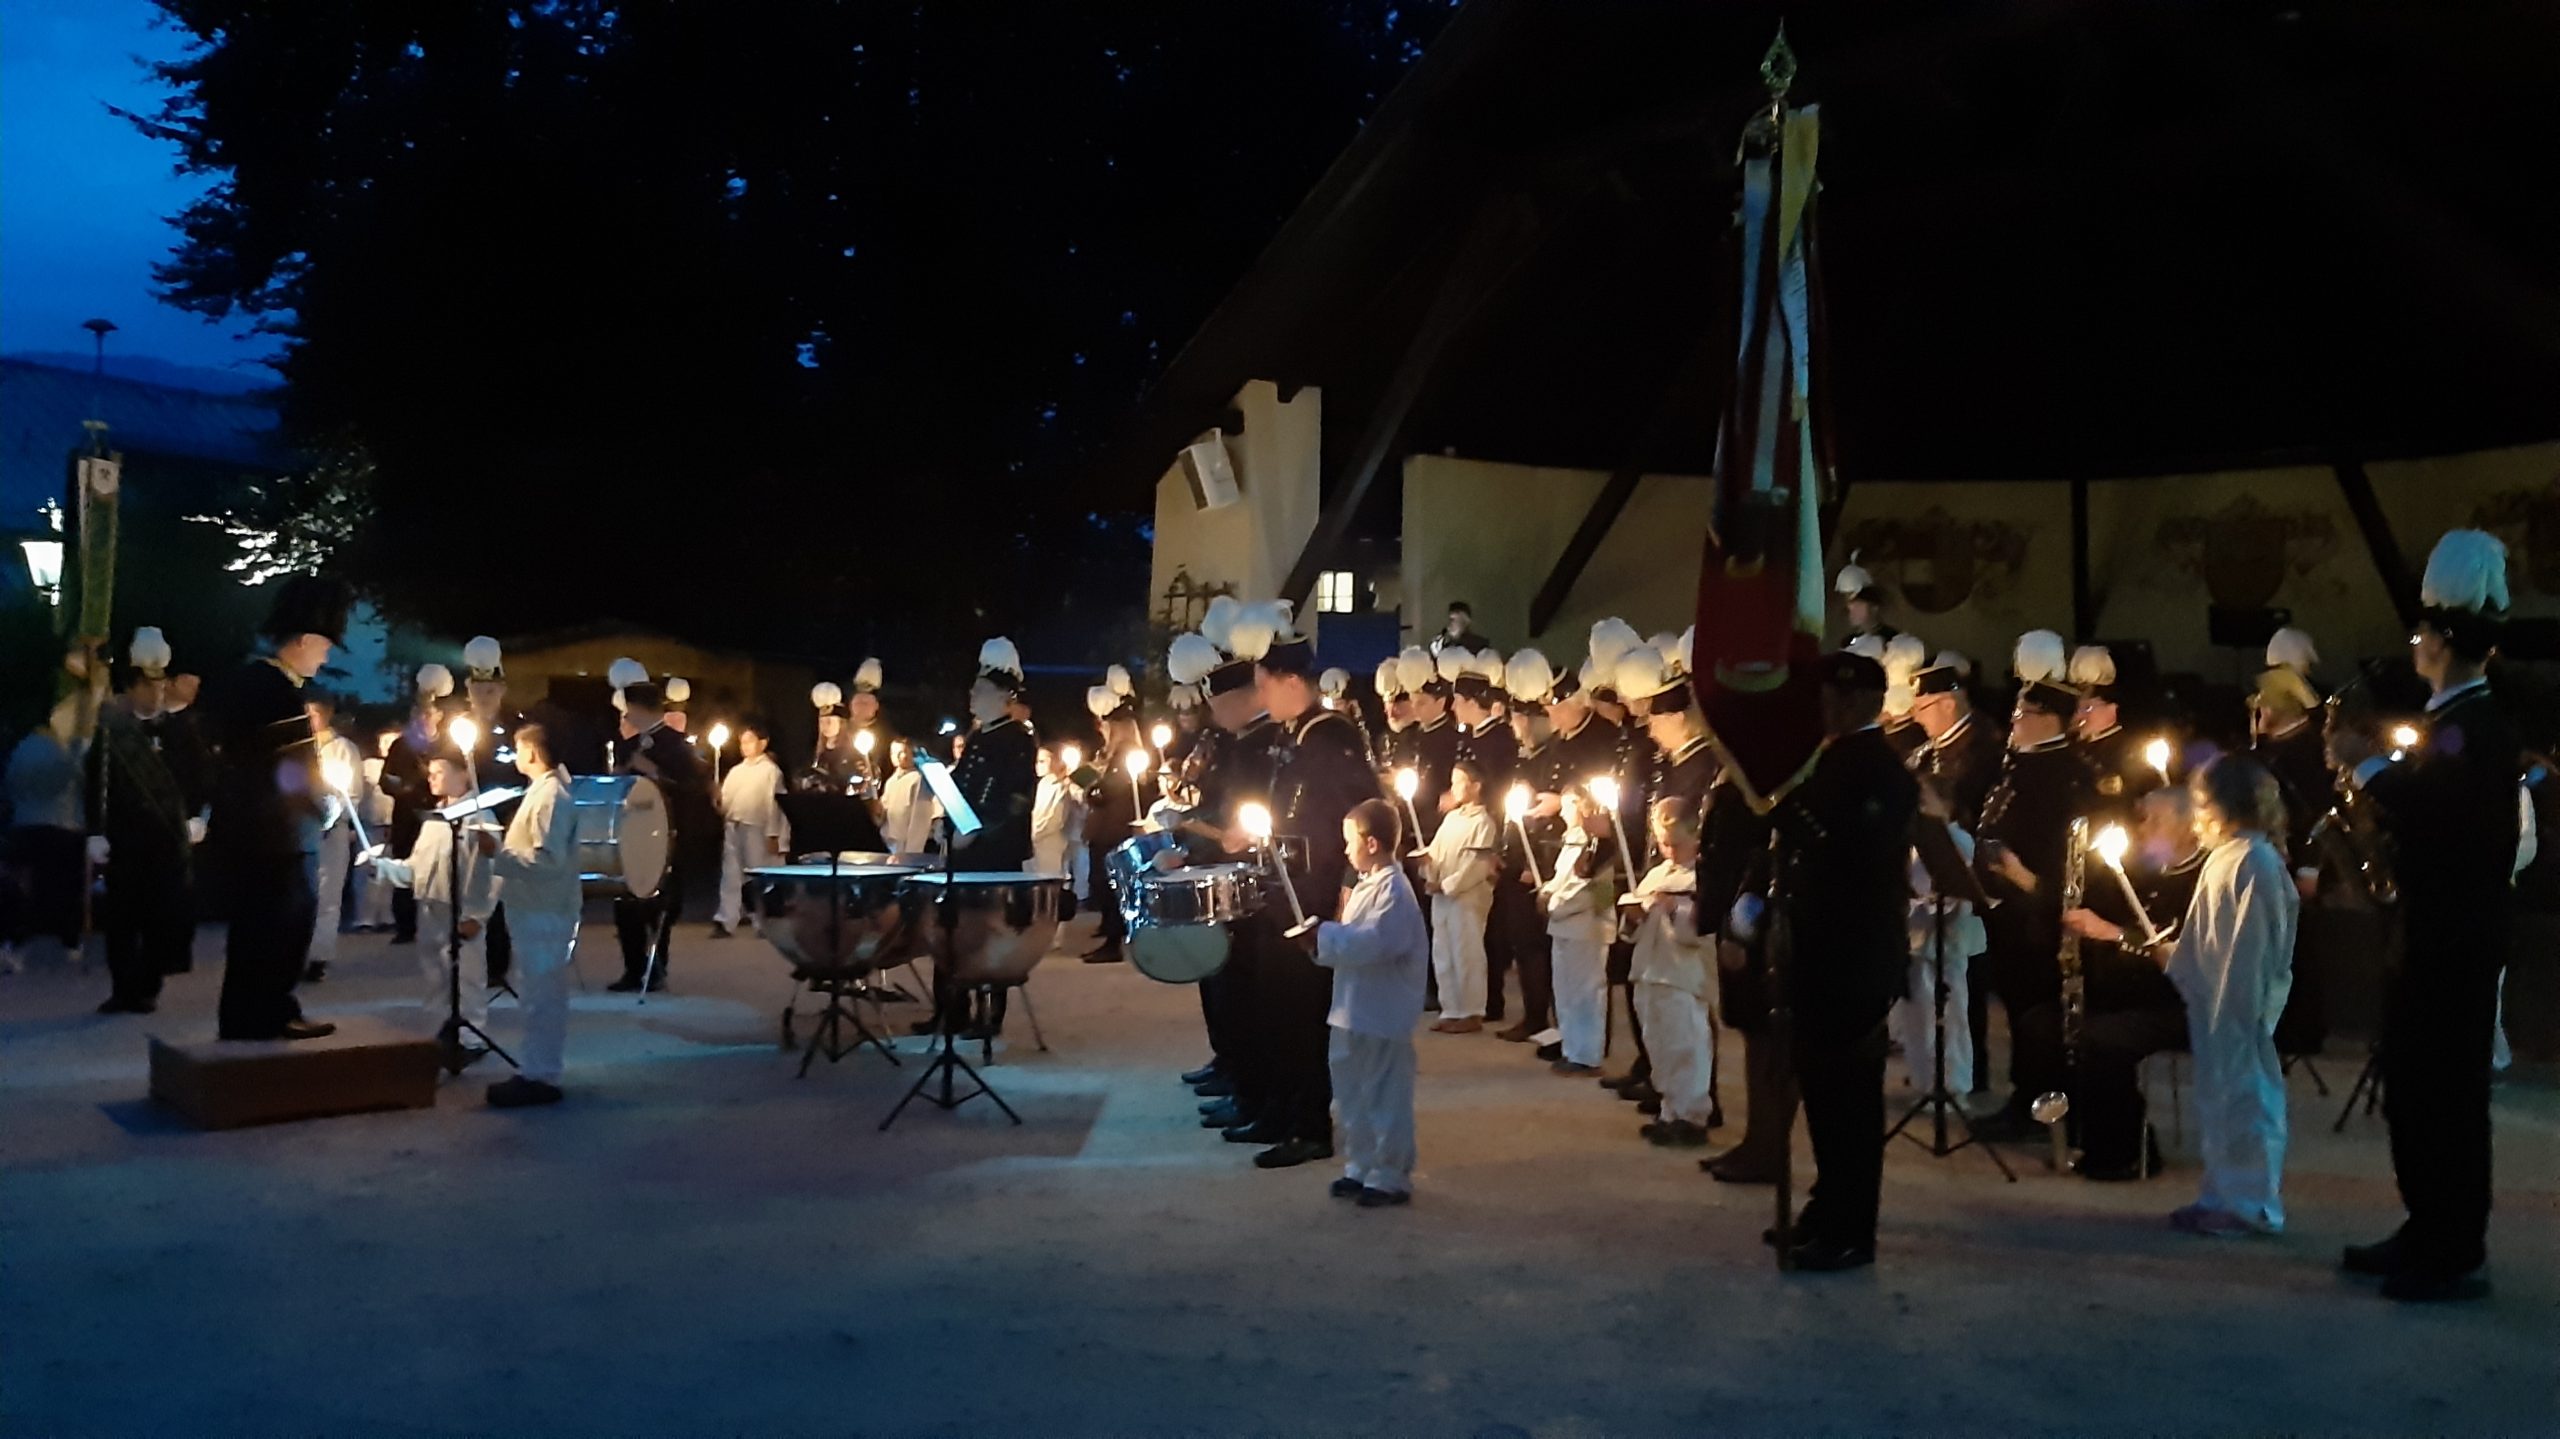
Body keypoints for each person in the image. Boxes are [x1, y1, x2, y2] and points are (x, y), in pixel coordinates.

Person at [2346, 530, 2522, 1302]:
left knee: (2448, 1094)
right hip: (2429, 935)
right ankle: (2425, 1224)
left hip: (2454, 943)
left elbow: (2434, 806)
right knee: (2416, 1090)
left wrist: (2363, 765)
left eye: (2422, 630)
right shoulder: (2460, 717)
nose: (2414, 641)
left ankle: (2454, 1248)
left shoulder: (2476, 725)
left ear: (2444, 639)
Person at [1766, 651, 1919, 1271]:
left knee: (1850, 1103)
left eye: (1829, 698)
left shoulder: (1880, 771)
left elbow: (1849, 854)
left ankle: (1851, 1230)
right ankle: (1827, 1208)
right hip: (1820, 951)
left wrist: (1784, 803)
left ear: (1856, 702)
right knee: (1824, 1096)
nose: (1819, 709)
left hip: (1852, 955)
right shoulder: (1834, 761)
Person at [1244, 601, 1380, 1170]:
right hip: (1285, 895)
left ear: (1292, 681)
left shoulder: (1331, 740)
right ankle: (1281, 1111)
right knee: (1278, 1011)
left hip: (1316, 900)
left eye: (1265, 687)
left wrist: (1346, 895)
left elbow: (1364, 815)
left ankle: (1309, 1125)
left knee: (1303, 1018)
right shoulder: (1298, 737)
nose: (1261, 700)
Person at [2154, 755, 2297, 1236]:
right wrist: (2176, 957)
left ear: (2223, 806)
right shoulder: (2226, 857)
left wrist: (2237, 1004)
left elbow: (2251, 947)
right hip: (2215, 1001)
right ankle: (2220, 1193)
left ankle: (2251, 1205)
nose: (2194, 818)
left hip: (2238, 1005)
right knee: (2218, 1101)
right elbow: (2208, 940)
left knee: (2246, 1101)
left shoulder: (2255, 862)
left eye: (2199, 804)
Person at [208, 576, 349, 1041]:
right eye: (325, 644)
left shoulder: (247, 681)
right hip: (278, 836)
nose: (327, 655)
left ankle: (245, 1015)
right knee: (281, 926)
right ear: (305, 640)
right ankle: (270, 1012)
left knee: (253, 931)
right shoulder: (277, 690)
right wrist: (324, 804)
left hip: (250, 832)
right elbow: (292, 769)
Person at [1971, 631, 2095, 1138]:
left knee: (2038, 1015)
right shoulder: (2019, 765)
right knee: (2019, 1013)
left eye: (2022, 715)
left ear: (2048, 719)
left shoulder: (2066, 776)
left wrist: (2023, 877)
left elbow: (2072, 858)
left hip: (2040, 917)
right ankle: (2024, 1096)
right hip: (2006, 910)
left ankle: (2044, 1105)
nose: (2013, 723)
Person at [2057, 786, 2209, 1181]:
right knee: (2052, 1023)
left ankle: (2127, 1151)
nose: (2144, 828)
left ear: (2188, 827)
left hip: (2182, 1003)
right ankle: (2083, 1136)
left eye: (2155, 820)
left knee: (2103, 1039)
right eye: (2143, 817)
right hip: (2142, 993)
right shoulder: (2152, 873)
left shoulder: (2202, 880)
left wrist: (2112, 934)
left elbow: (2181, 953)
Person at [1306, 797, 1429, 1208]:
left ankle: (1390, 1173)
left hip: (1381, 1012)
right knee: (1351, 1091)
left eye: (1350, 841)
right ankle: (1360, 1163)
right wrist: (1320, 939)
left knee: (1384, 1093)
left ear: (1372, 843)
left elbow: (1376, 943)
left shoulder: (1394, 890)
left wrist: (1323, 936)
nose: (1345, 850)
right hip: (1350, 1008)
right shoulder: (1366, 885)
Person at [931, 638, 1038, 1039]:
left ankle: (990, 1015)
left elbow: (1014, 800)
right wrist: (946, 816)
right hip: (964, 849)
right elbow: (963, 785)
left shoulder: (1018, 738)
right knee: (953, 929)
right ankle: (951, 1010)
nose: (972, 696)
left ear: (1002, 696)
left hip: (994, 853)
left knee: (989, 931)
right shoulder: (976, 737)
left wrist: (974, 833)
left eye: (980, 690)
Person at [91, 628, 200, 1014]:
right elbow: (96, 781)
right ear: (134, 686)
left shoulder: (180, 728)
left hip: (167, 840)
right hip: (124, 838)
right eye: (149, 686)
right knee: (121, 920)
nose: (157, 694)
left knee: (160, 918)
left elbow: (198, 775)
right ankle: (123, 989)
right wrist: (94, 832)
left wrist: (198, 814)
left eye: (161, 686)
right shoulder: (110, 731)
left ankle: (148, 986)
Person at [363, 750, 496, 1056]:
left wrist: (478, 914)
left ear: (463, 774)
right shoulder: (434, 819)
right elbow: (416, 869)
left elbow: (491, 873)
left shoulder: (479, 817)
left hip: (461, 910)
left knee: (467, 976)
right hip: (430, 906)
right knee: (436, 974)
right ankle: (440, 1032)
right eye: (431, 772)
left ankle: (471, 1038)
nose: (431, 778)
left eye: (439, 771)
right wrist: (382, 867)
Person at [486, 723, 583, 1107]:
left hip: (544, 910)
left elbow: (547, 861)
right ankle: (535, 1069)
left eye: (518, 748)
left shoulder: (551, 797)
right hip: (534, 908)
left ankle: (541, 1075)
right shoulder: (544, 792)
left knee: (543, 995)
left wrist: (496, 851)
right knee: (537, 993)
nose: (514, 755)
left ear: (532, 752)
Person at [606, 662, 705, 993]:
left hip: (666, 836)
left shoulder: (676, 744)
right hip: (631, 832)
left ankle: (655, 966)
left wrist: (655, 775)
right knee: (626, 901)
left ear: (637, 708)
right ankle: (633, 968)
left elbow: (695, 791)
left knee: (659, 904)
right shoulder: (628, 743)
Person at [1631, 797, 1715, 1146]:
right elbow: (1635, 923)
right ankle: (1669, 1108)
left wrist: (1674, 910)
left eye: (1675, 843)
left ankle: (1692, 1114)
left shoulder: (1702, 878)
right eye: (1662, 842)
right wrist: (1633, 917)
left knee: (1686, 1043)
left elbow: (1700, 930)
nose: (1668, 850)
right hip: (1650, 970)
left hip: (1681, 974)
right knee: (1658, 1041)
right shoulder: (1656, 874)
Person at [1420, 759, 1498, 1034]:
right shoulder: (1451, 819)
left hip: (1465, 899)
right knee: (1443, 952)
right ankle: (1450, 1007)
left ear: (1476, 786)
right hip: (1441, 895)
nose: (1453, 788)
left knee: (1466, 953)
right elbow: (1436, 851)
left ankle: (1472, 1010)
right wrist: (1430, 872)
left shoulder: (1483, 823)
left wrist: (1448, 885)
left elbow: (1477, 865)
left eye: (1459, 782)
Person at [1540, 789, 1614, 1075]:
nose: (1561, 811)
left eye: (1568, 805)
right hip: (1565, 926)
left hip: (1585, 928)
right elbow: (1561, 880)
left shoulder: (1596, 847)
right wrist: (1547, 891)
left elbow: (1590, 891)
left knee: (1585, 992)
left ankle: (1587, 1054)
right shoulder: (1571, 841)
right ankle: (1571, 1046)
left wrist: (1553, 904)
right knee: (1566, 991)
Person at [377, 665, 451, 944]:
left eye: (429, 714)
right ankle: (405, 926)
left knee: (441, 870)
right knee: (403, 868)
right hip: (407, 817)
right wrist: (405, 789)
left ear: (439, 717)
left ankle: (440, 923)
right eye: (419, 714)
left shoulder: (447, 745)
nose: (423, 719)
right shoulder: (400, 746)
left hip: (437, 816)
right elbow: (386, 780)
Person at [302, 689, 367, 983]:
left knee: (327, 893)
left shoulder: (343, 749)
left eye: (313, 713)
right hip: (303, 830)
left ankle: (319, 956)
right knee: (304, 892)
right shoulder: (301, 748)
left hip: (332, 831)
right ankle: (297, 952)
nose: (308, 719)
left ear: (326, 714)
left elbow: (352, 793)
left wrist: (333, 816)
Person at [711, 716, 790, 938]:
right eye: (742, 742)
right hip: (734, 826)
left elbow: (775, 805)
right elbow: (726, 803)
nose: (745, 746)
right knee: (731, 874)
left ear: (763, 743)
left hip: (757, 828)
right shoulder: (736, 771)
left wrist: (774, 834)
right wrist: (718, 799)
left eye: (750, 741)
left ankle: (763, 921)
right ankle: (726, 919)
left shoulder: (771, 772)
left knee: (758, 877)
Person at [878, 738, 940, 858]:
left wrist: (912, 853)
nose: (898, 756)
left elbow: (919, 819)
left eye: (903, 752)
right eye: (893, 753)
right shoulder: (891, 781)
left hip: (906, 845)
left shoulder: (918, 779)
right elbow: (883, 811)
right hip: (890, 843)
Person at [1030, 744, 1079, 878]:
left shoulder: (1060, 787)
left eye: (1042, 761)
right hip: (1038, 842)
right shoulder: (1043, 784)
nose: (1037, 766)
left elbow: (1056, 817)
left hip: (1050, 842)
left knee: (1049, 879)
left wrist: (1038, 833)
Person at [801, 682, 859, 794]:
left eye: (829, 721)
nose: (825, 726)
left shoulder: (851, 753)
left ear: (840, 723)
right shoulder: (816, 752)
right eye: (822, 722)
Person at [1835, 561, 1898, 643]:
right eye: (1849, 604)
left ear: (1874, 607)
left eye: (1857, 604)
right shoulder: (1849, 642)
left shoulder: (1892, 640)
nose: (1850, 607)